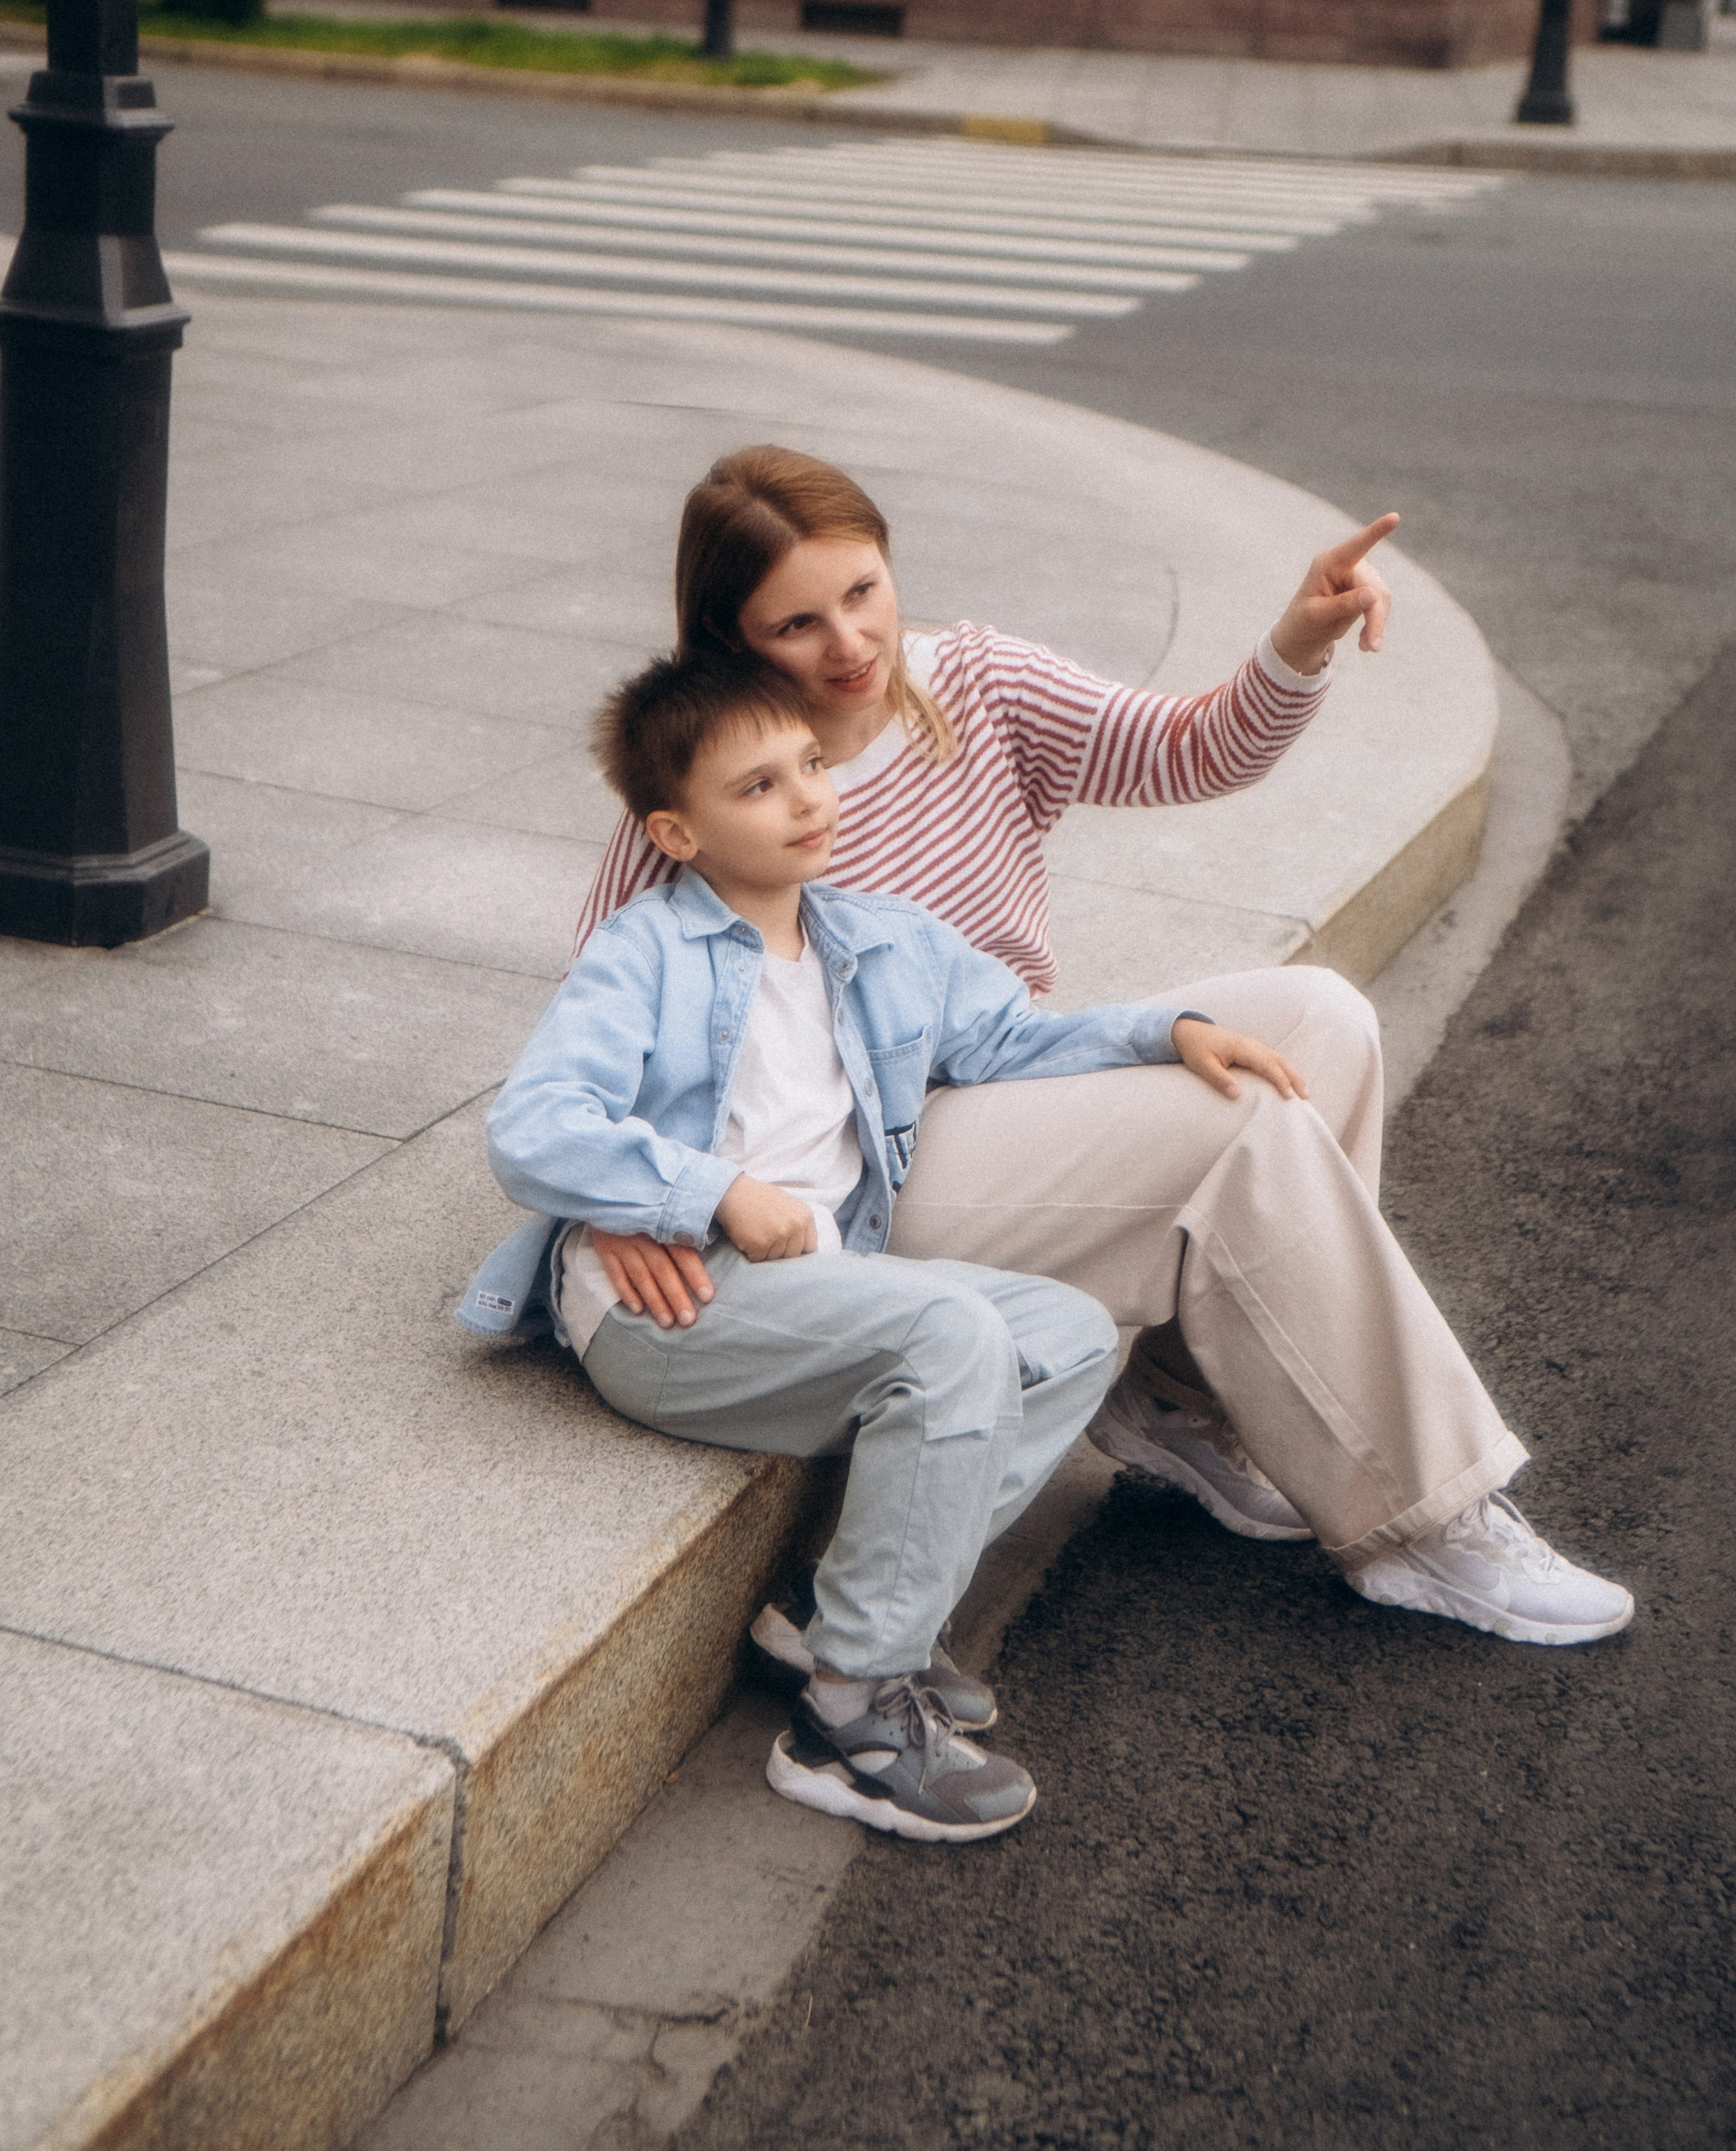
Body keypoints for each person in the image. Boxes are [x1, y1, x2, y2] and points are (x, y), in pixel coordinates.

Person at [568, 447, 1634, 1654]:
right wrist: (629, 1193)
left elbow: (1186, 750)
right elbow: (603, 1002)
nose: (849, 643)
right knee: (1239, 1127)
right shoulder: (716, 783)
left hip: (1009, 1061)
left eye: (862, 592)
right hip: (867, 1157)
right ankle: (1426, 1516)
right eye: (796, 624)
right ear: (730, 636)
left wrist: (1296, 644)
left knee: (1322, 1023)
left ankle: (1185, 1403)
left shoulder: (977, 680)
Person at [467, 646, 1280, 1840]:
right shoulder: (640, 954)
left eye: (808, 765)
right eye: (757, 788)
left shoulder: (880, 940)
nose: (805, 798)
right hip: (670, 1308)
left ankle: (833, 1608)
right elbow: (532, 1127)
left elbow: (1014, 1038)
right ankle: (846, 1718)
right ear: (676, 833)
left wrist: (1172, 1030)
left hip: (813, 1286)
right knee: (955, 1332)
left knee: (1063, 1332)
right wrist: (707, 1188)